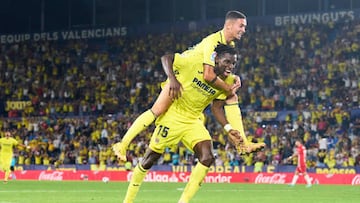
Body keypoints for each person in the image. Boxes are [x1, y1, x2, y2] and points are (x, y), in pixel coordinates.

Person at [113, 10, 262, 162]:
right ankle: (122, 145)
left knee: (231, 96)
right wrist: (226, 87)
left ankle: (243, 142)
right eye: (241, 26)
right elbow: (208, 75)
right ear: (229, 25)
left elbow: (218, 70)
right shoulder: (213, 41)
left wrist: (232, 78)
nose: (244, 30)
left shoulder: (228, 44)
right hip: (183, 74)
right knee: (156, 111)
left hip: (192, 76)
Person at [122, 43, 242, 203]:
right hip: (173, 116)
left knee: (207, 157)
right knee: (148, 160)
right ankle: (128, 200)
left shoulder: (227, 82)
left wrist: (228, 128)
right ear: (215, 58)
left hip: (193, 121)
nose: (230, 66)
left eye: (233, 63)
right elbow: (167, 58)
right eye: (227, 62)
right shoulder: (195, 64)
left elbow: (217, 108)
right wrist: (172, 79)